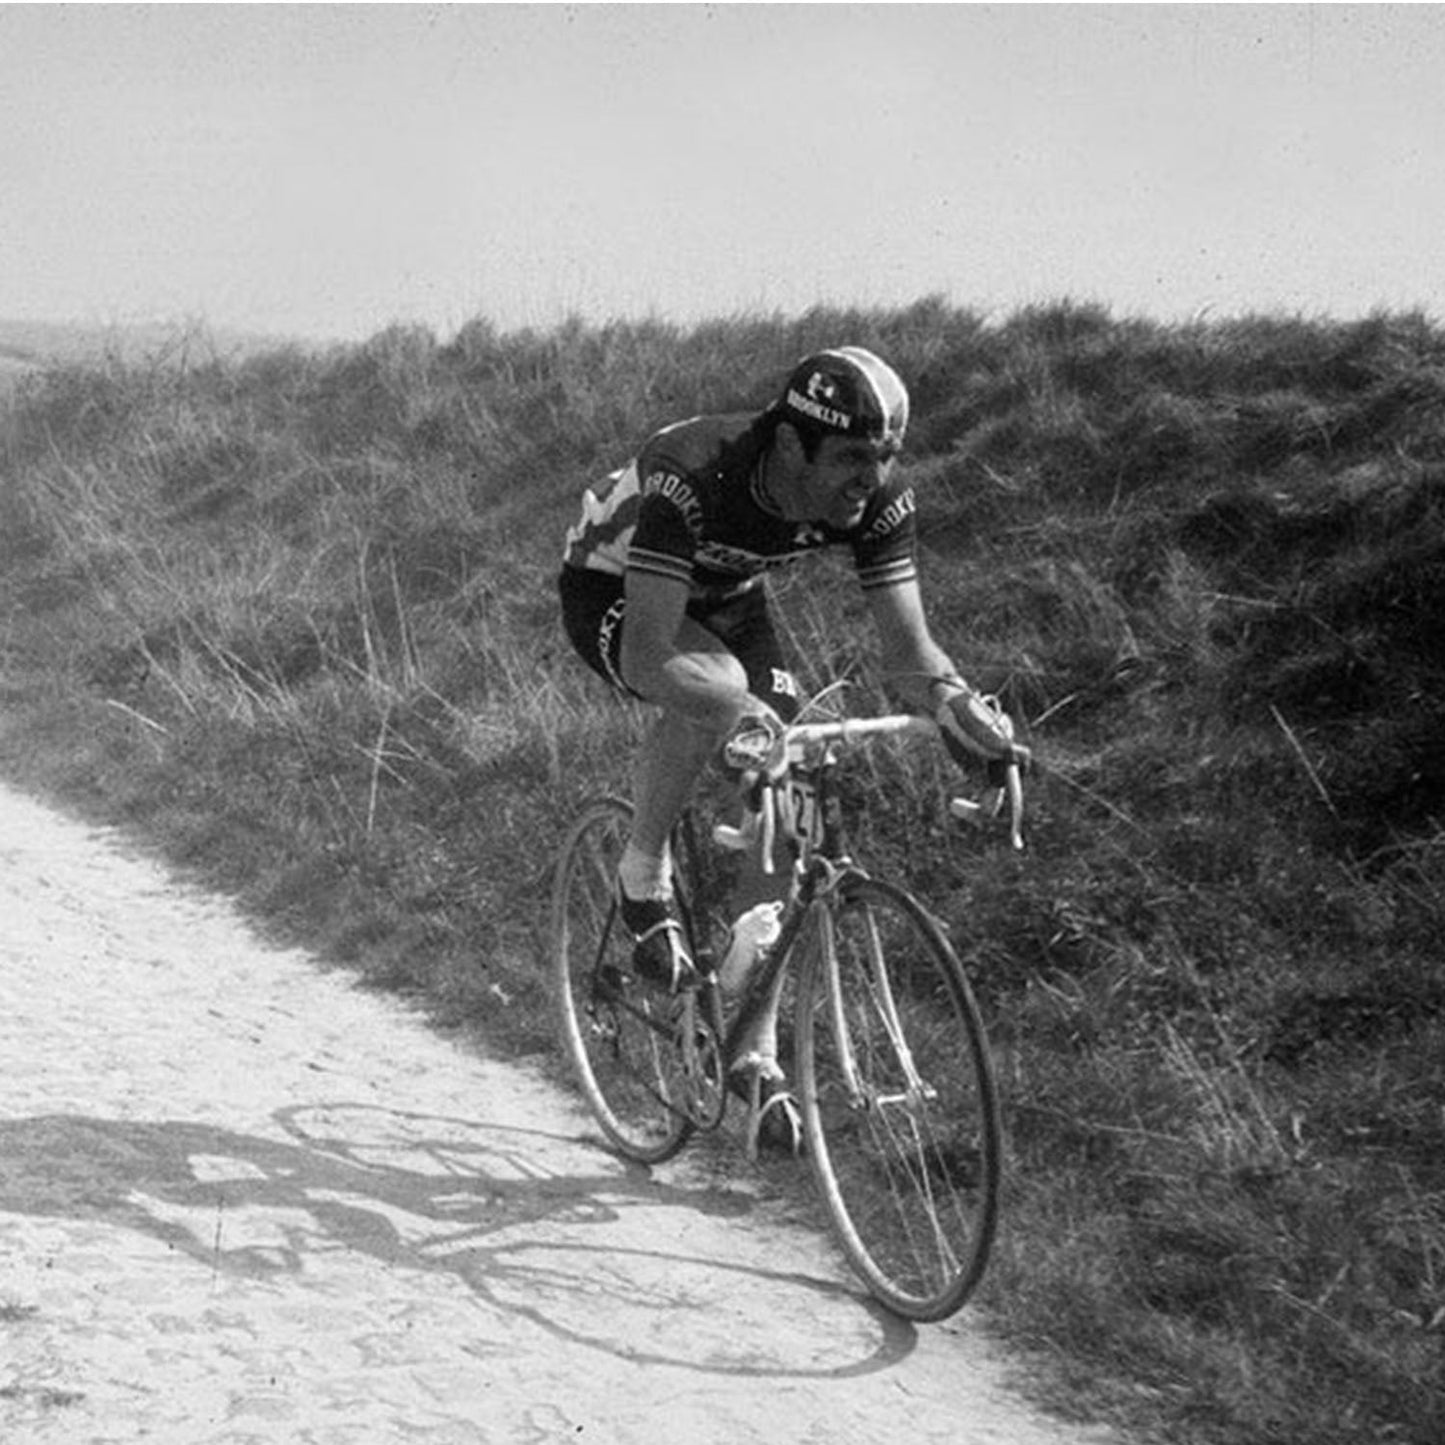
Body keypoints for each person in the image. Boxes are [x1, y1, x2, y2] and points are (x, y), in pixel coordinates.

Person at [559, 345, 1025, 995]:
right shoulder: (693, 471)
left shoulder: (877, 498)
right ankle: (642, 877)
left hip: (728, 593)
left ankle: (751, 1040)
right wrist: (735, 710)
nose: (870, 477)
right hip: (610, 588)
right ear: (787, 444)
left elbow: (909, 653)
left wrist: (956, 707)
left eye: (885, 457)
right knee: (720, 691)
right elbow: (647, 653)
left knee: (792, 777)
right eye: (851, 459)